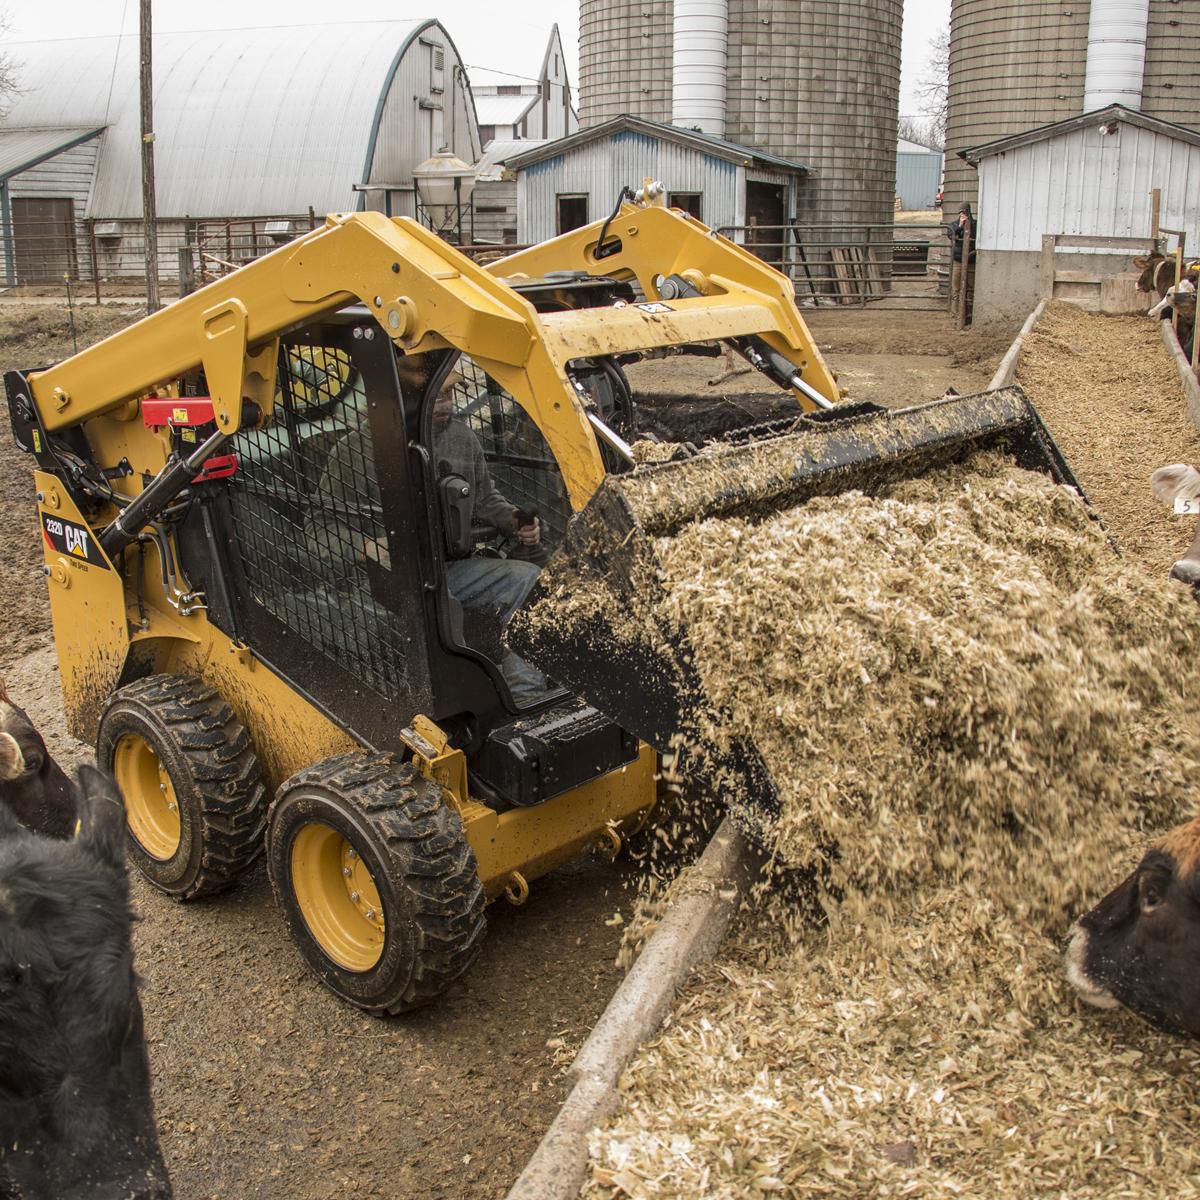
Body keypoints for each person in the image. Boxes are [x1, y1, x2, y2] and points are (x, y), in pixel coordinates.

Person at [432, 371, 551, 704]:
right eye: (437, 395)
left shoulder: (461, 438)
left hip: (451, 570)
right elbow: (319, 528)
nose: (446, 401)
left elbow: (485, 498)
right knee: (444, 609)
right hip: (397, 577)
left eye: (450, 393)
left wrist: (514, 522)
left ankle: (525, 697)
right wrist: (368, 545)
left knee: (527, 578)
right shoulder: (361, 448)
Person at [947, 202, 978, 323]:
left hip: (971, 261)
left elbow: (976, 235)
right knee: (956, 288)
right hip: (958, 260)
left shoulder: (975, 224)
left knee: (970, 288)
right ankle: (956, 314)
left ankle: (969, 314)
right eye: (961, 212)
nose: (963, 214)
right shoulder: (954, 224)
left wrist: (969, 224)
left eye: (965, 212)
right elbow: (952, 235)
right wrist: (960, 225)